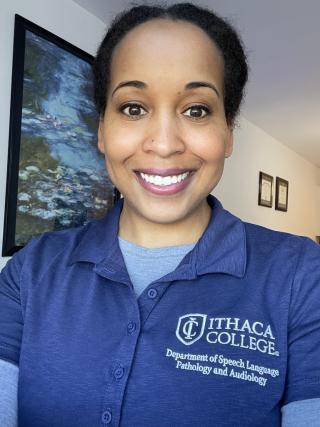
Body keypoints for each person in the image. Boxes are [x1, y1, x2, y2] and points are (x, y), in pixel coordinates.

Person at [1, 2, 320, 426]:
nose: (165, 144)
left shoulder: (299, 276)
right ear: (101, 130)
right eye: (133, 108)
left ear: (227, 132)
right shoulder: (31, 271)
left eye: (197, 110)